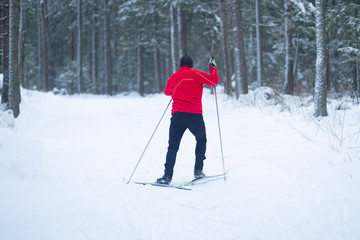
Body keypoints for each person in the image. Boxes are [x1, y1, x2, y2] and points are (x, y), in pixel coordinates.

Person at [156, 55, 219, 185]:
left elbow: (167, 92)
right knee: (201, 139)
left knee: (173, 146)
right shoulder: (196, 74)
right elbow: (214, 81)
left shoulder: (173, 77)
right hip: (194, 115)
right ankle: (198, 170)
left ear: (180, 65)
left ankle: (167, 176)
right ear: (191, 65)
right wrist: (212, 68)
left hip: (178, 115)